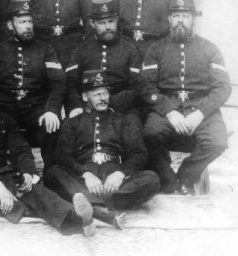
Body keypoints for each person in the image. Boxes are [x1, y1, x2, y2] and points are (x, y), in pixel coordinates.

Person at [0, 67, 96, 237]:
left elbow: (21, 150)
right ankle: (30, 209)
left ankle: (75, 217)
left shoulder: (4, 119)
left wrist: (29, 173)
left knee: (31, 188)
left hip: (4, 175)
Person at [45, 70, 160, 229]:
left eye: (105, 93)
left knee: (151, 179)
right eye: (97, 94)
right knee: (53, 174)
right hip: (84, 178)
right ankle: (103, 210)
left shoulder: (122, 121)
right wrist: (85, 174)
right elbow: (62, 155)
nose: (103, 98)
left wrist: (120, 174)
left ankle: (91, 205)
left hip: (114, 179)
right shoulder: (73, 123)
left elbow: (139, 154)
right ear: (86, 97)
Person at [141, 0, 231, 194]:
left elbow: (223, 88)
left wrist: (200, 112)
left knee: (218, 141)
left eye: (186, 16)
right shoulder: (156, 49)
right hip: (167, 104)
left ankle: (186, 175)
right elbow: (146, 86)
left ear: (193, 19)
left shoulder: (210, 49)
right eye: (176, 16)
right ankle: (167, 179)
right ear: (169, 19)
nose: (181, 20)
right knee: (150, 133)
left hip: (201, 105)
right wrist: (169, 111)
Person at [0, 0, 66, 171]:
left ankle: (52, 173)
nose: (28, 26)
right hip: (4, 107)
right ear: (10, 25)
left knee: (51, 125)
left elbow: (58, 82)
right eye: (22, 22)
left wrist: (52, 109)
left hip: (34, 108)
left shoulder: (45, 49)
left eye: (30, 21)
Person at [65, 0, 143, 117]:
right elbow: (70, 82)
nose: (108, 27)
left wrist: (111, 103)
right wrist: (76, 105)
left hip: (123, 108)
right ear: (92, 23)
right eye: (102, 23)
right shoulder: (82, 49)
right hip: (89, 106)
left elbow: (137, 85)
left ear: (117, 20)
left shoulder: (130, 49)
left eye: (111, 21)